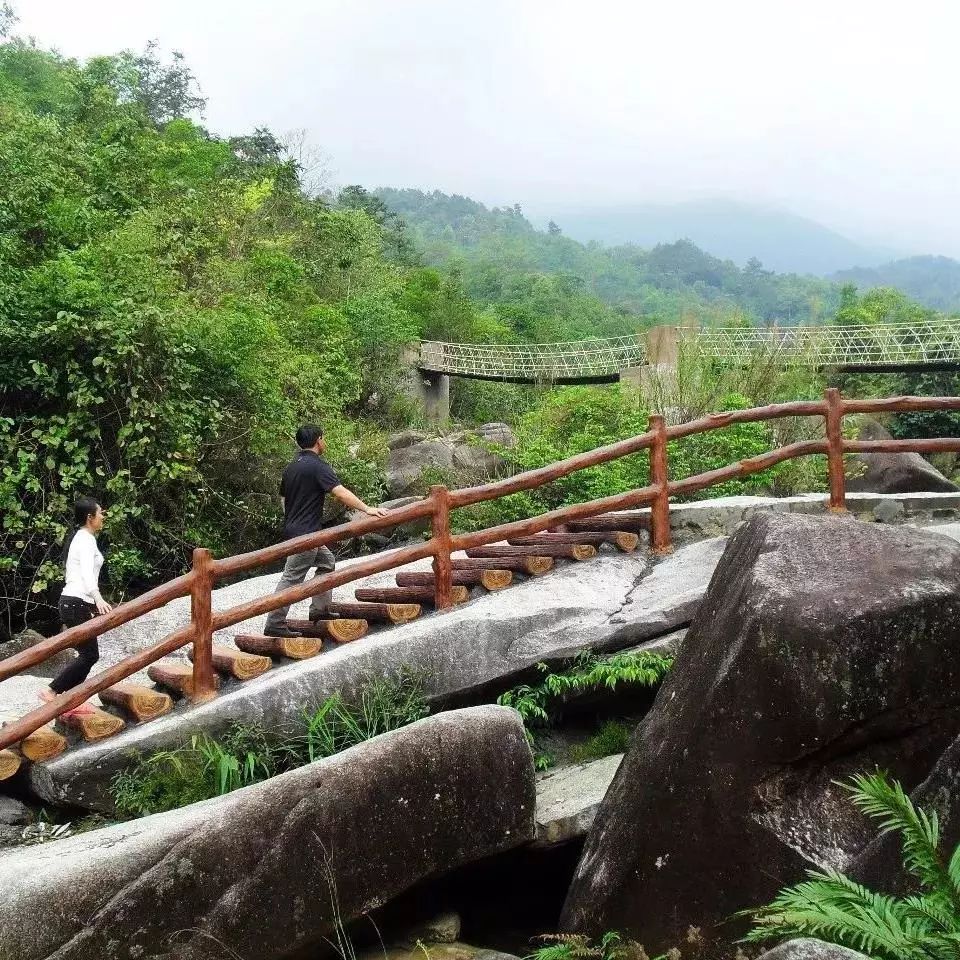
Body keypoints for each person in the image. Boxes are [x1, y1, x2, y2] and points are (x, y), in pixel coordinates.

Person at [263, 425, 389, 638]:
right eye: (324, 439)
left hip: (296, 530)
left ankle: (320, 611)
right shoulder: (317, 466)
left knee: (326, 562)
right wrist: (368, 509)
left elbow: (283, 499)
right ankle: (274, 622)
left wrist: (293, 517)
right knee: (292, 577)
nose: (325, 442)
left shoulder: (291, 467)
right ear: (319, 440)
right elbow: (340, 493)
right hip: (307, 534)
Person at [39, 497, 113, 710]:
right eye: (100, 513)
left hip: (75, 602)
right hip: (74, 602)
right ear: (90, 517)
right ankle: (52, 691)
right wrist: (97, 598)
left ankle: (70, 698)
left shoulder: (83, 538)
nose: (102, 517)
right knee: (90, 654)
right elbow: (87, 575)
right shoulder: (85, 540)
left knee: (88, 654)